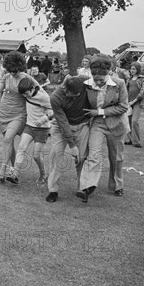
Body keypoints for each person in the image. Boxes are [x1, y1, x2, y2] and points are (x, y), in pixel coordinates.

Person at [0, 51, 38, 182]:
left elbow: (40, 93)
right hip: (4, 113)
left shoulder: (27, 78)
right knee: (9, 143)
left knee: (8, 139)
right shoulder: (6, 76)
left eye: (15, 71)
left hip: (19, 114)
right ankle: (14, 172)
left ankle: (3, 169)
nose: (13, 73)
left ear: (20, 67)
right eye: (10, 70)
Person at [79, 55, 129, 201]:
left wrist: (100, 111)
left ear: (109, 72)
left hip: (116, 124)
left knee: (116, 158)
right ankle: (87, 187)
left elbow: (123, 106)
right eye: (95, 77)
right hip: (97, 124)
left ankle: (117, 185)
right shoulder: (86, 83)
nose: (98, 80)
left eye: (101, 77)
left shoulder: (119, 83)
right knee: (93, 154)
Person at [45, 75, 92, 203]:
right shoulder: (55, 97)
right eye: (72, 94)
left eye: (77, 95)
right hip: (61, 126)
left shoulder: (85, 80)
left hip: (82, 125)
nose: (74, 97)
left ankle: (82, 188)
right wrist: (72, 145)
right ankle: (53, 190)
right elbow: (63, 123)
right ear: (65, 88)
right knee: (57, 154)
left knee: (81, 157)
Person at [5, 78, 53, 185]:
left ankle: (43, 174)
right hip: (29, 126)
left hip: (42, 129)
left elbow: (53, 110)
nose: (25, 97)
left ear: (32, 89)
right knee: (21, 148)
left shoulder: (44, 97)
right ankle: (15, 175)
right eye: (23, 95)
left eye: (27, 94)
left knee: (36, 155)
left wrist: (43, 119)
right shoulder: (26, 93)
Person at [124, 62, 144, 148]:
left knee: (134, 121)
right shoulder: (129, 79)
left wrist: (133, 101)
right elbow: (125, 90)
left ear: (138, 69)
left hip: (137, 102)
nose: (132, 70)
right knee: (128, 121)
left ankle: (136, 141)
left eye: (134, 69)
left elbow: (143, 92)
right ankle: (129, 139)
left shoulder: (143, 78)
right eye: (131, 69)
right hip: (128, 102)